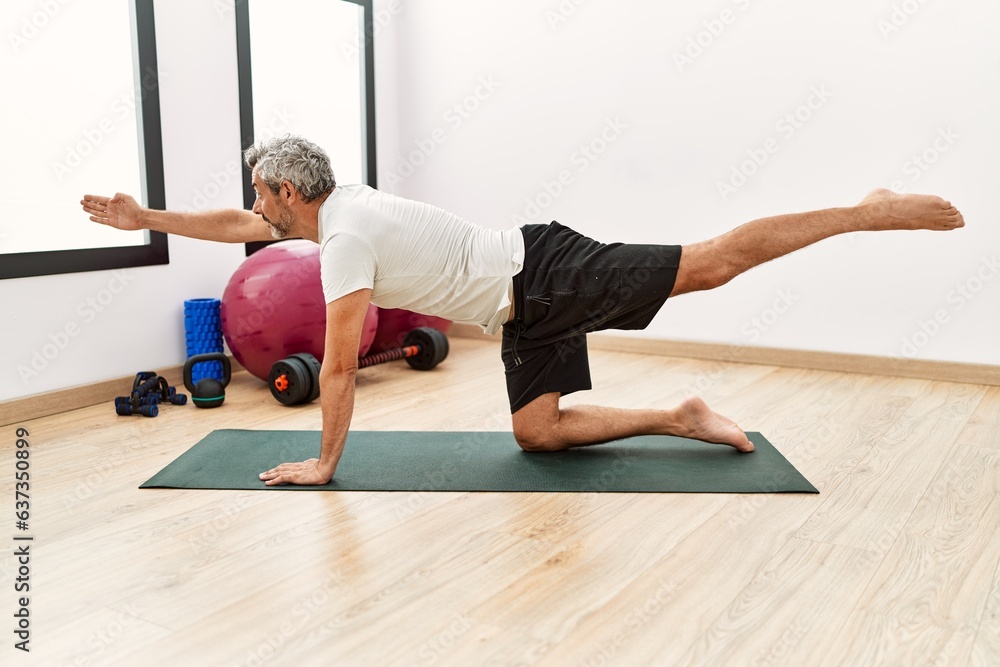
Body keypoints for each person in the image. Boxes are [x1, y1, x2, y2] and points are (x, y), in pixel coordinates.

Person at [81, 135, 965, 486]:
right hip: (521, 309)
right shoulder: (332, 205)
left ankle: (865, 209)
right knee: (536, 434)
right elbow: (241, 225)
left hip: (543, 273)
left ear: (285, 190)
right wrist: (145, 219)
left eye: (259, 196)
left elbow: (341, 364)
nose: (255, 211)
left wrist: (324, 465)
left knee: (710, 265)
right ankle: (680, 414)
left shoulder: (341, 241)